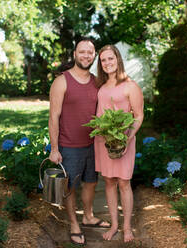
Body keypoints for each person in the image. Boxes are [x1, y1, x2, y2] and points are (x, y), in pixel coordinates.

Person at [48, 38, 110, 246]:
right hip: (69, 146)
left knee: (91, 182)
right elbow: (53, 116)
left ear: (94, 56)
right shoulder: (61, 81)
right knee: (70, 187)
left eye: (90, 52)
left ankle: (89, 216)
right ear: (75, 54)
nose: (86, 55)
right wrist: (55, 148)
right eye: (82, 52)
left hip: (93, 145)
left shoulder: (97, 81)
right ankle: (74, 223)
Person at [94, 45, 144, 242]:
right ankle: (114, 224)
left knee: (124, 182)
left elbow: (139, 116)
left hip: (124, 140)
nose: (107, 63)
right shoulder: (101, 86)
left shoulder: (130, 86)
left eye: (110, 59)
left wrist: (128, 138)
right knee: (108, 181)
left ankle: (127, 227)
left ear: (118, 59)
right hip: (103, 141)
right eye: (103, 60)